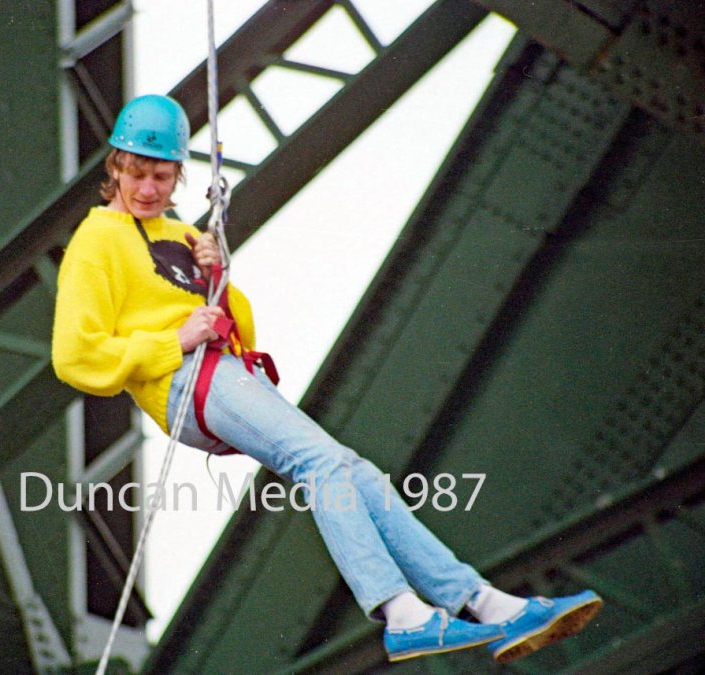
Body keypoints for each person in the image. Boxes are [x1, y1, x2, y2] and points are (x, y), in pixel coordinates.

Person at [51, 94, 602, 664]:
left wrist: (216, 273)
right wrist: (173, 341)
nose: (147, 188)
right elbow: (75, 356)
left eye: (161, 176)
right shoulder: (98, 241)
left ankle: (487, 604)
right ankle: (401, 612)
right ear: (114, 167)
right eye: (136, 173)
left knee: (352, 471)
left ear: (177, 175)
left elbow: (235, 324)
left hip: (223, 372)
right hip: (186, 381)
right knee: (320, 463)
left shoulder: (181, 236)